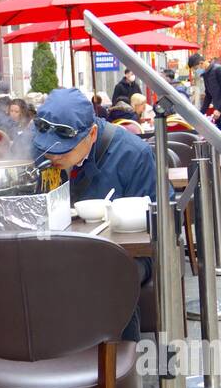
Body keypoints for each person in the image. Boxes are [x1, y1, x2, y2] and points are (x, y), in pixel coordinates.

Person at [30, 88, 157, 342]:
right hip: (54, 248)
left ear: (92, 134)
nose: (52, 157)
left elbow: (154, 228)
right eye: (47, 149)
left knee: (110, 277)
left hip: (125, 254)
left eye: (63, 151)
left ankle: (117, 367)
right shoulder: (38, 149)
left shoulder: (133, 155)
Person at [189, 52, 221, 178]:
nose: (196, 71)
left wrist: (219, 109)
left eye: (195, 68)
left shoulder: (219, 70)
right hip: (220, 109)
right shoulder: (206, 74)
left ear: (201, 63)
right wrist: (201, 113)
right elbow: (209, 95)